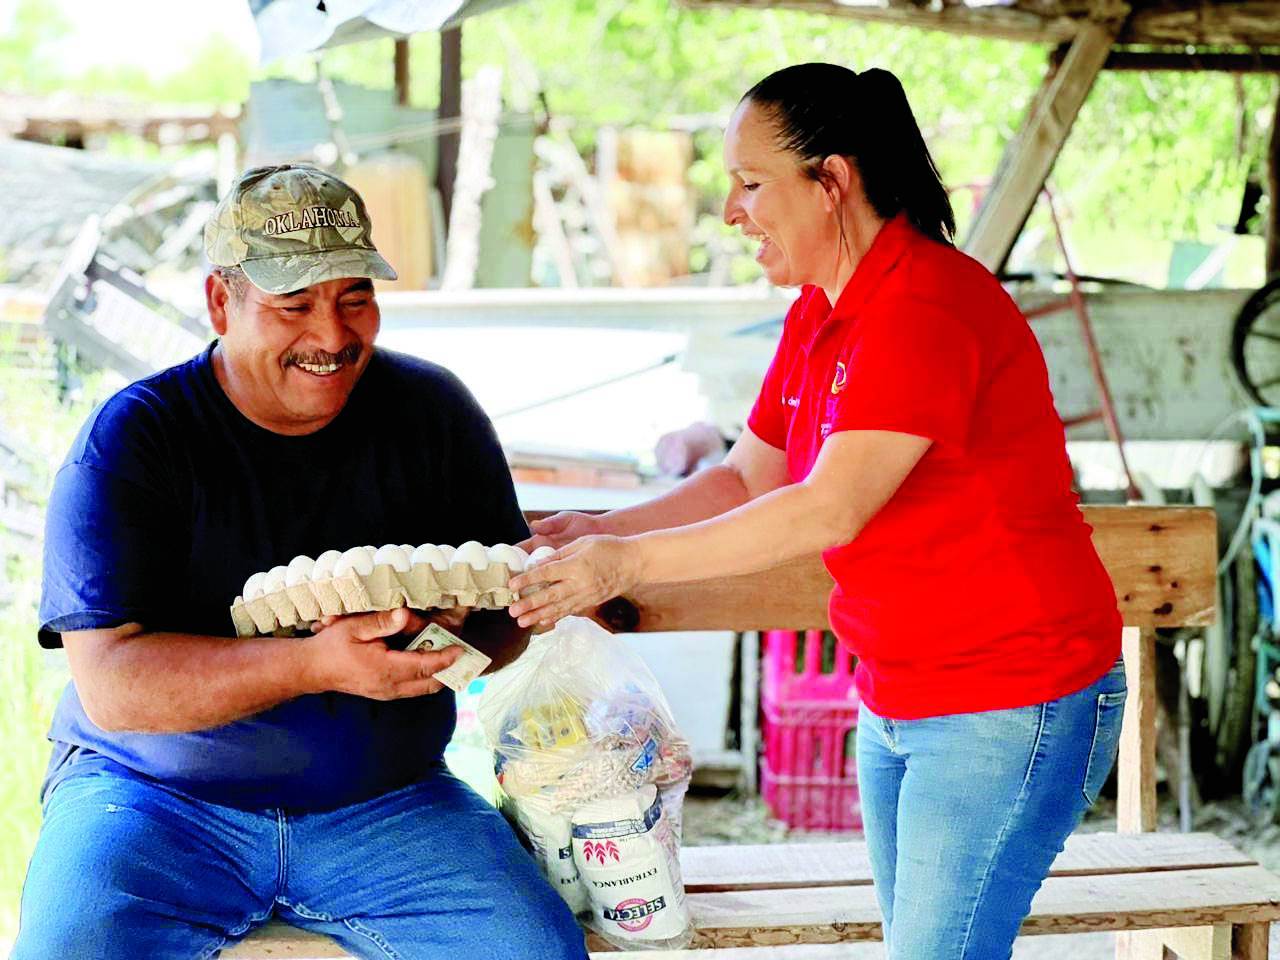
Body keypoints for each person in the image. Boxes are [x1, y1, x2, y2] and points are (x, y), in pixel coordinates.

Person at [510, 64, 1127, 960]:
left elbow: (826, 509)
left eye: (751, 183)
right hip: (901, 695)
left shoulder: (924, 306)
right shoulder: (822, 311)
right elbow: (744, 479)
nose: (732, 211)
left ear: (831, 181)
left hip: (1010, 698)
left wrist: (626, 567)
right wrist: (602, 529)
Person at [16, 164, 587, 960]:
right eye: (294, 305)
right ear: (222, 302)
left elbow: (503, 614)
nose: (331, 336)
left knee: (534, 951)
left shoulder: (434, 413)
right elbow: (112, 686)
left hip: (388, 803)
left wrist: (454, 634)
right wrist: (316, 664)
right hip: (151, 803)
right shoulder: (135, 439)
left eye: (355, 298)